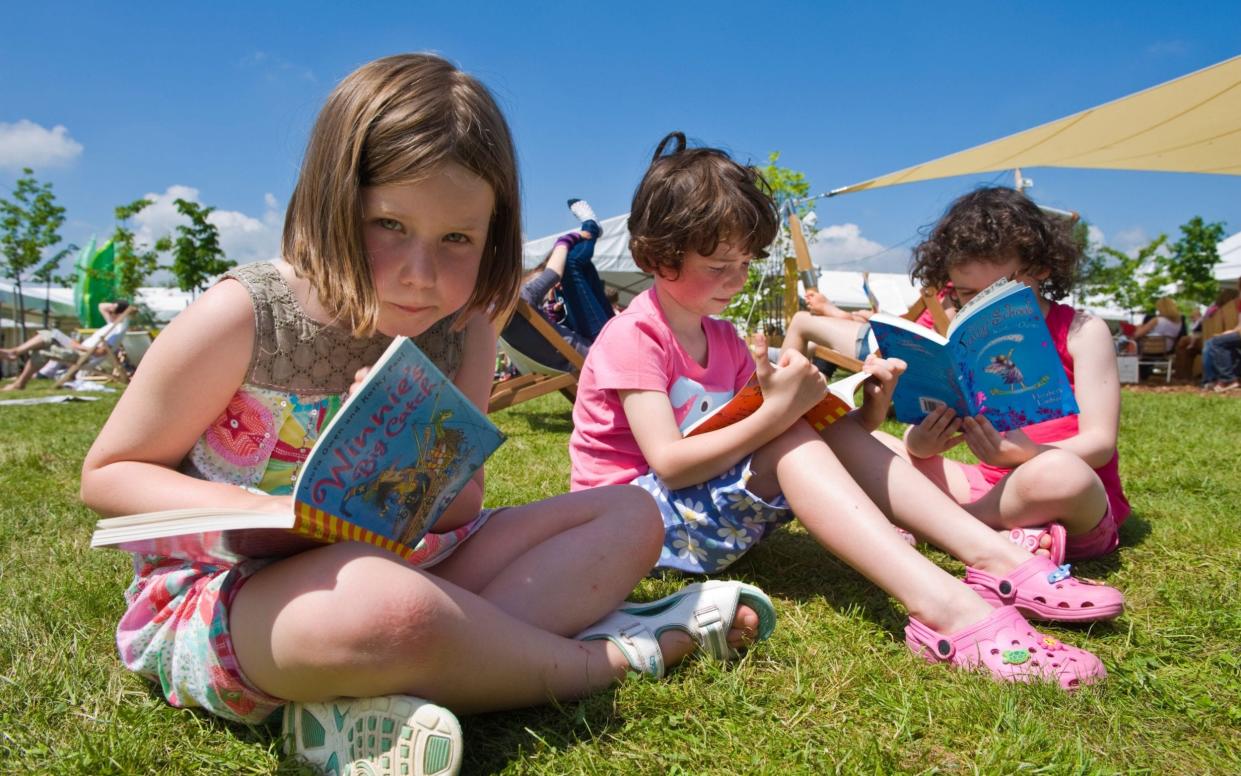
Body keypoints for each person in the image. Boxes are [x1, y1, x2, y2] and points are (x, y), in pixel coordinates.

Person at [79, 56, 772, 776]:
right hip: (238, 596)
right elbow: (109, 474)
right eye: (387, 223)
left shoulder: (464, 323)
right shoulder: (247, 316)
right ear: (328, 203)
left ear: (492, 234)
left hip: (414, 564)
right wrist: (258, 507)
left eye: (457, 239)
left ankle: (394, 680)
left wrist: (397, 454)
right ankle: (603, 659)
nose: (420, 272)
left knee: (629, 516)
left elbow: (457, 509)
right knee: (385, 610)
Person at [570, 132, 1120, 690]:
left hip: (697, 519)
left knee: (807, 421)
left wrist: (869, 410)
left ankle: (995, 558)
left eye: (745, 263)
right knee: (787, 430)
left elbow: (763, 436)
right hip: (628, 531)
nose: (736, 281)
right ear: (656, 257)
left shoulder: (725, 339)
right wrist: (780, 412)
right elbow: (670, 463)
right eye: (718, 266)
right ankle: (947, 607)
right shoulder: (634, 336)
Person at [872, 187, 1131, 566]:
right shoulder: (965, 340)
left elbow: (1100, 444)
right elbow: (928, 435)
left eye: (996, 291)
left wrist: (1028, 455)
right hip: (991, 490)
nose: (979, 305)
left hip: (1062, 494)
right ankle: (1006, 535)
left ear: (1040, 268)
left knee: (1058, 474)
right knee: (870, 443)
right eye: (965, 293)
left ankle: (947, 526)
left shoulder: (1082, 331)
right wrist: (922, 442)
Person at [498, 199, 612, 371]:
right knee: (571, 262)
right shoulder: (519, 298)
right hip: (597, 350)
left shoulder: (492, 311)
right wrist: (566, 239)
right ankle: (591, 227)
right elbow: (554, 273)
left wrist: (554, 313)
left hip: (567, 358)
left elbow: (537, 336)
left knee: (582, 267)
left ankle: (591, 225)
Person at [1, 300, 135, 390]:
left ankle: (15, 353)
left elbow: (101, 352)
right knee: (42, 348)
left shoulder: (117, 330)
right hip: (78, 352)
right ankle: (19, 380)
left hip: (82, 356)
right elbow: (101, 305)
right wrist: (117, 307)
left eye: (112, 311)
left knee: (51, 333)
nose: (109, 312)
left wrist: (77, 346)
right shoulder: (112, 324)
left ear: (120, 314)